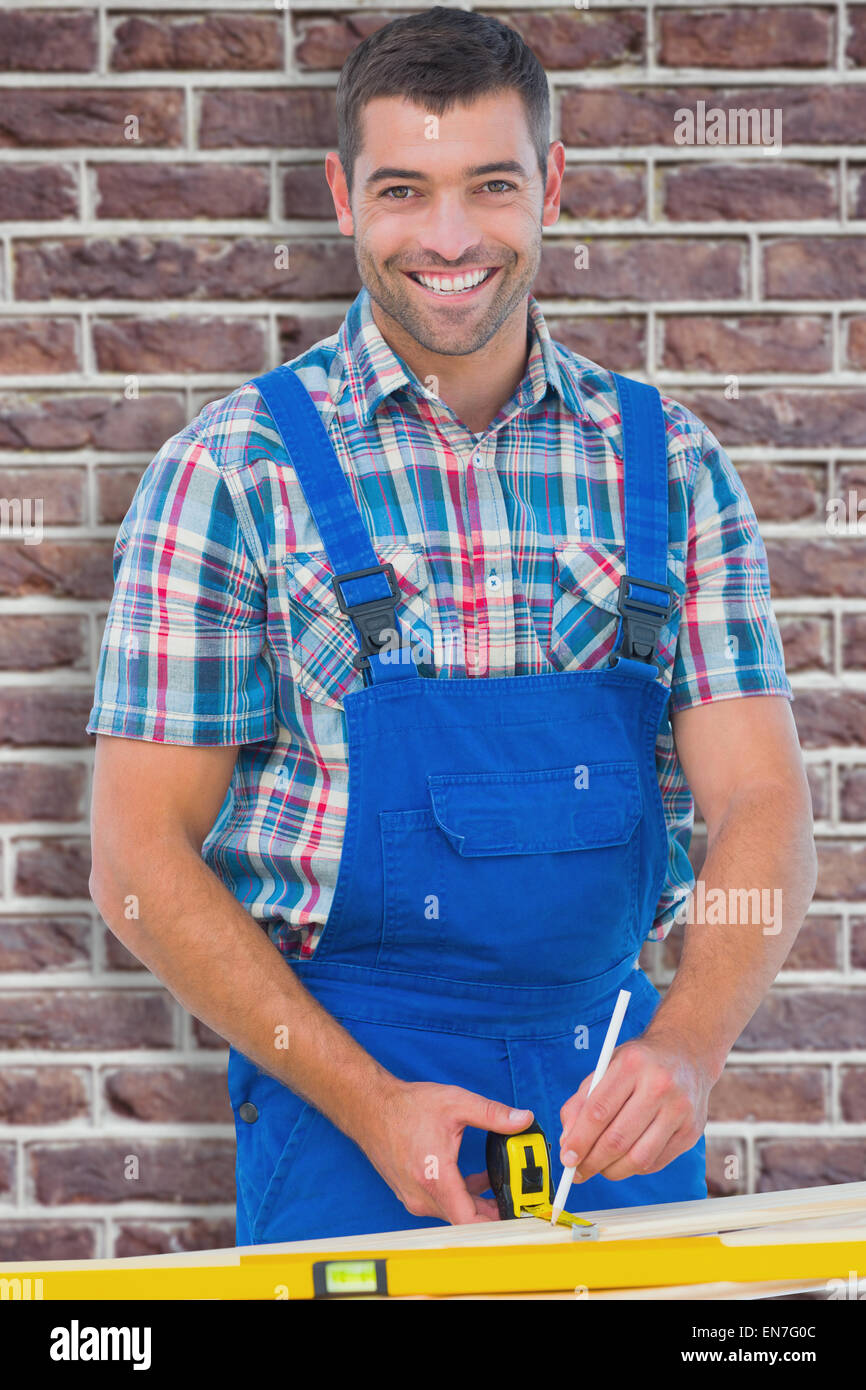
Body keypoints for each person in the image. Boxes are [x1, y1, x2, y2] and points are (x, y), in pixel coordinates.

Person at [86, 7, 816, 1245]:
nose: (447, 237)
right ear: (339, 195)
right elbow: (138, 862)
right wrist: (369, 1102)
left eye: (488, 185)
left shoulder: (670, 465)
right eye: (402, 190)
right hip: (341, 1098)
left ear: (551, 186)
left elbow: (761, 804)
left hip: (609, 1103)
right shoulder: (231, 470)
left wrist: (685, 1047)